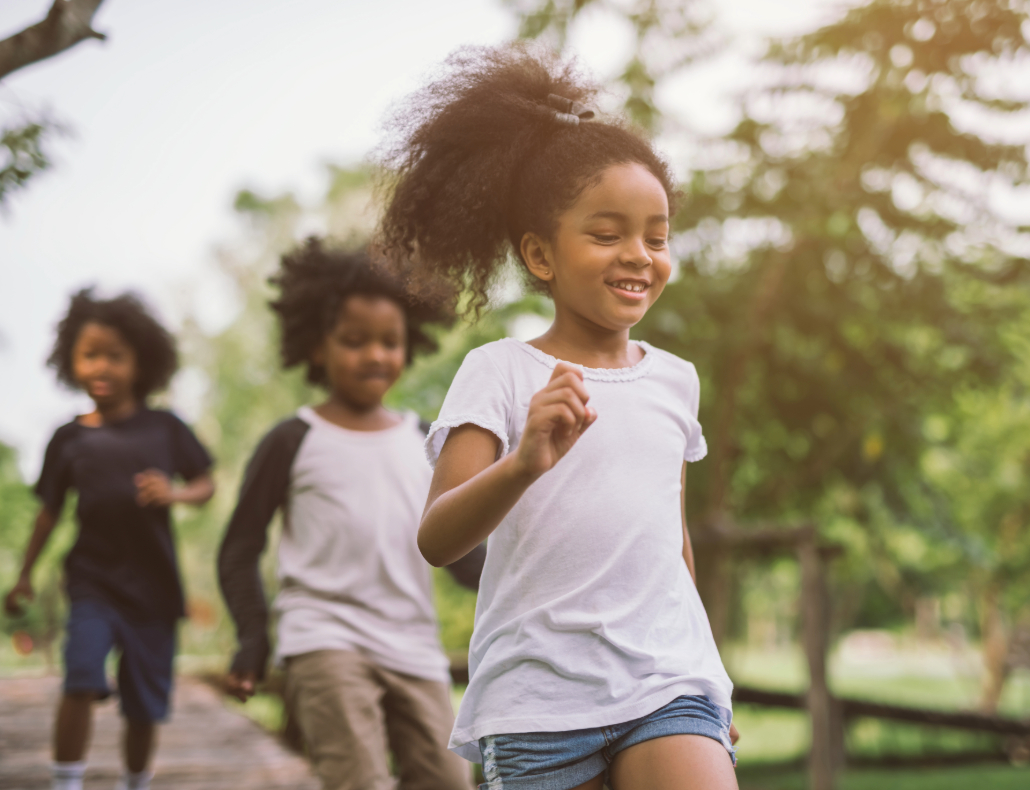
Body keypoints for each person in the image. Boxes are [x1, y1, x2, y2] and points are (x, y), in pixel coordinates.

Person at [374, 44, 741, 790]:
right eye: (606, 234)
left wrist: (708, 673)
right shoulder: (500, 373)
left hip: (666, 685)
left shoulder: (677, 381)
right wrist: (524, 462)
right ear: (540, 254)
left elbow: (672, 544)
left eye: (657, 235)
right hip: (538, 703)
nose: (638, 255)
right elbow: (439, 537)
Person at [217, 239, 482, 790]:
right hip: (324, 636)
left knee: (451, 781)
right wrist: (252, 637)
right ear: (317, 346)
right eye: (354, 341)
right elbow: (239, 547)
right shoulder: (292, 439)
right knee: (358, 780)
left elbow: (459, 553)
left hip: (413, 642)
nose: (375, 355)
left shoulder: (426, 440)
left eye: (390, 342)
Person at [3, 289, 215, 790]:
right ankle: (66, 782)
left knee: (144, 702)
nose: (101, 366)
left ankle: (135, 782)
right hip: (92, 580)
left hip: (154, 587)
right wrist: (25, 574)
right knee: (80, 675)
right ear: (69, 361)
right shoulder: (68, 438)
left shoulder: (165, 428)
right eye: (89, 354)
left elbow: (205, 484)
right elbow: (50, 512)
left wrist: (176, 494)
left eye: (114, 355)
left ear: (140, 362)